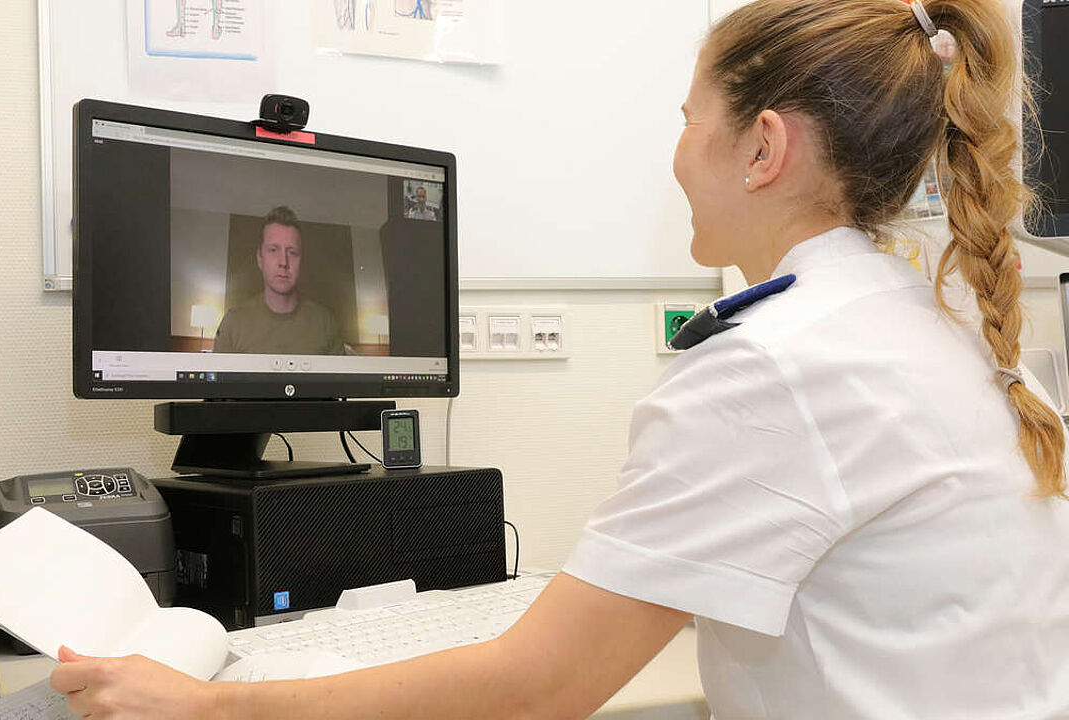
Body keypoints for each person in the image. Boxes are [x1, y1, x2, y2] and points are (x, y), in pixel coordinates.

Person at [52, 1, 1069, 717]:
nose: (677, 153)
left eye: (688, 121)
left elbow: (536, 690)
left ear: (762, 150)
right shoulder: (921, 322)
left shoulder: (780, 364)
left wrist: (207, 706)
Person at [212, 206, 345, 356]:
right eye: (273, 250)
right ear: (260, 259)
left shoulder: (326, 324)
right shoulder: (233, 324)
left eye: (292, 252)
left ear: (301, 261)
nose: (283, 262)